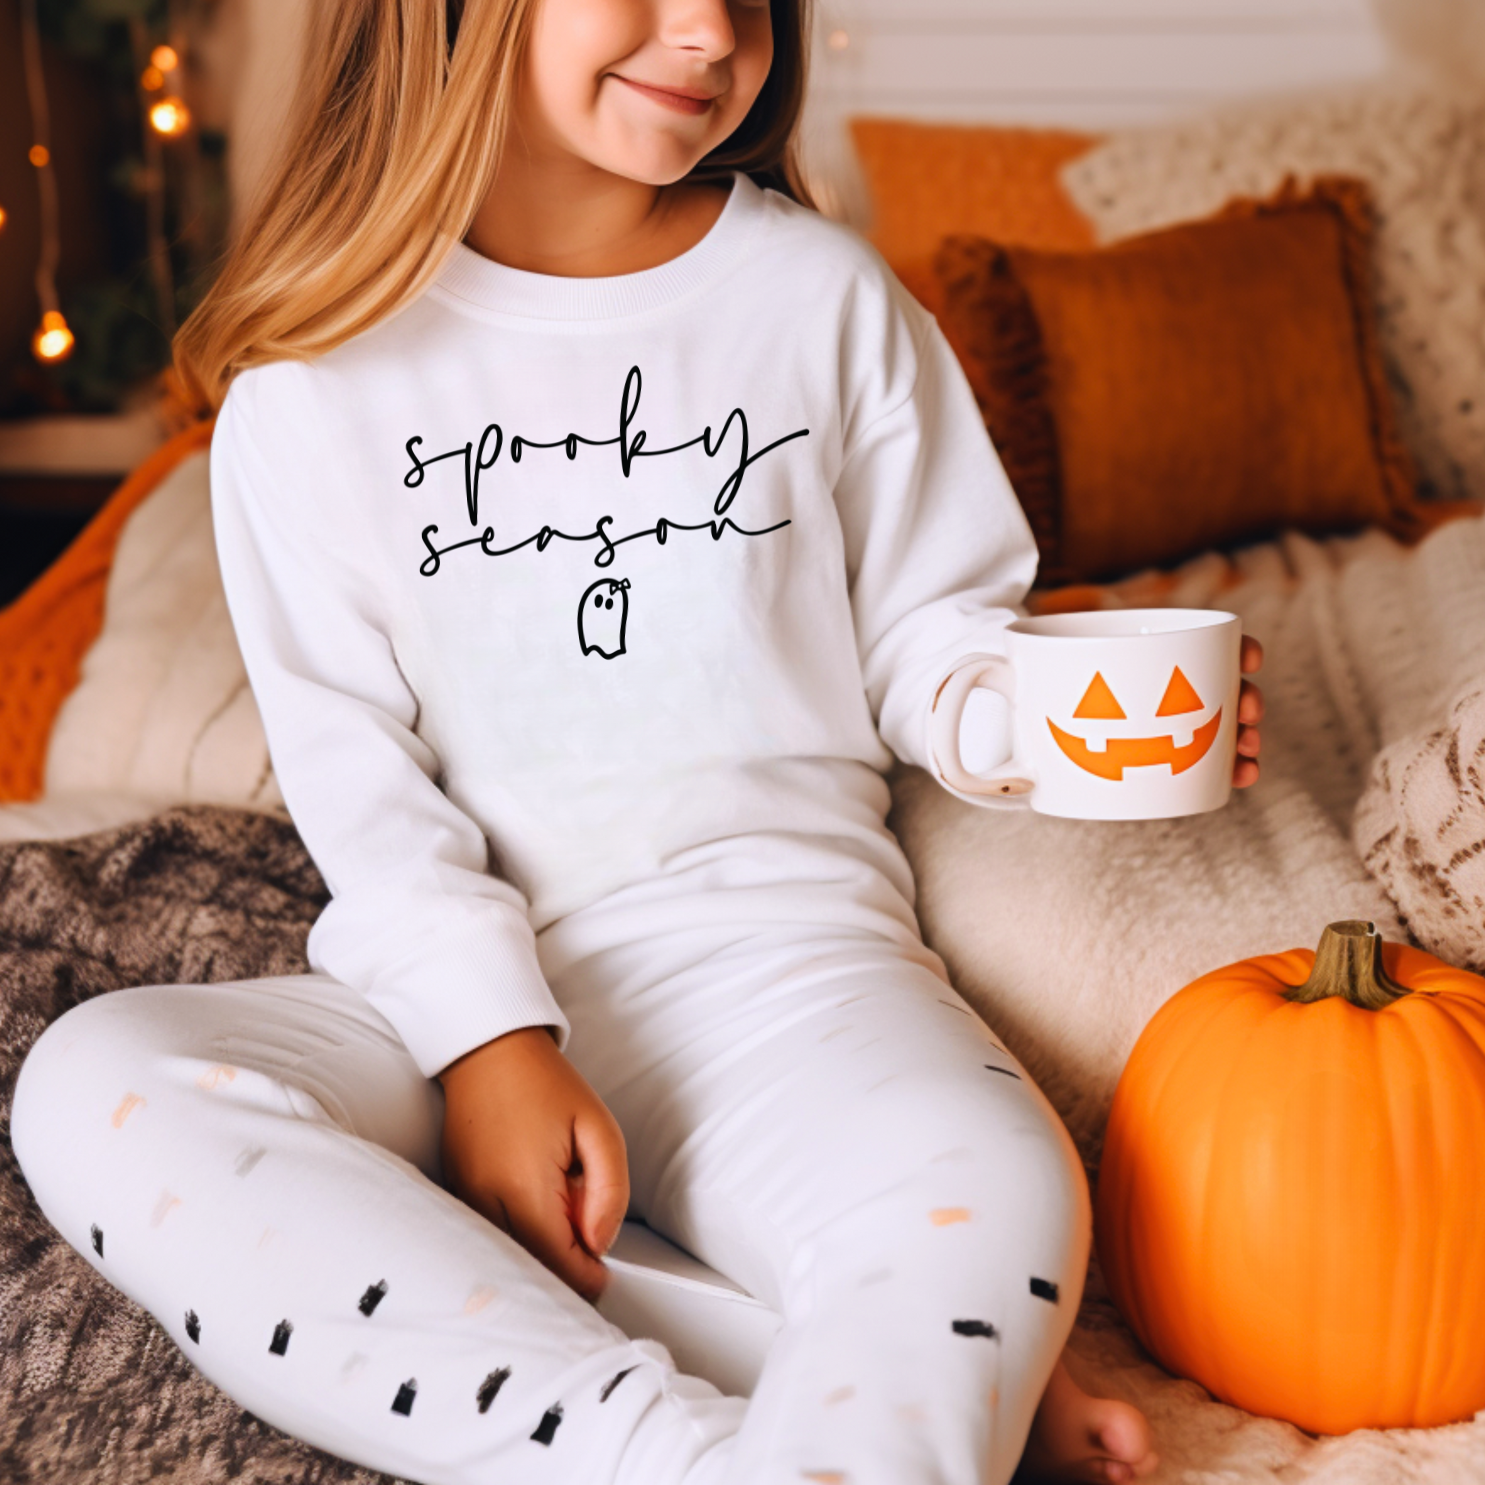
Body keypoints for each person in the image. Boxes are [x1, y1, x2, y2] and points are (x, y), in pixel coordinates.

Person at [12, 1, 1264, 1482]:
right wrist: (489, 1044)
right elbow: (358, 779)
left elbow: (932, 638)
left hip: (792, 983)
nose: (708, 27)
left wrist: (1056, 720)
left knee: (989, 1181)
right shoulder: (311, 383)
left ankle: (895, 1382)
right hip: (446, 1016)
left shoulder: (819, 299)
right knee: (96, 1082)